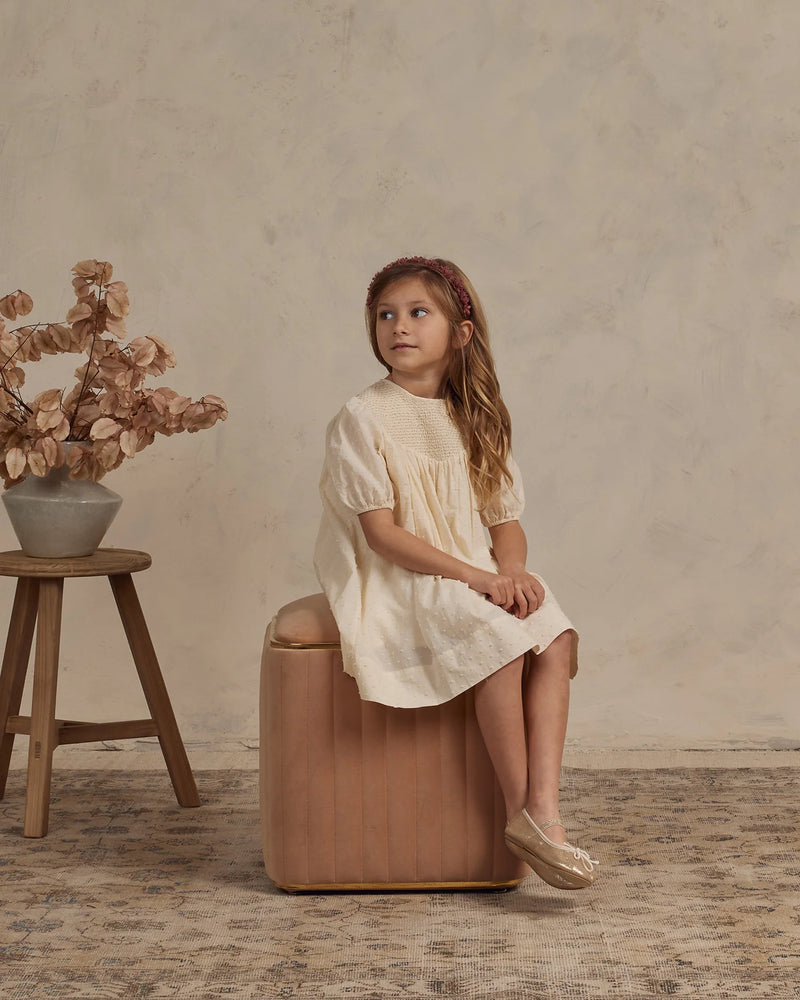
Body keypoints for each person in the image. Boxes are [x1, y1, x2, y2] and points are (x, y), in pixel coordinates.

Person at [314, 256, 597, 890]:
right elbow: (382, 535)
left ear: (461, 333)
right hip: (406, 574)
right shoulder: (364, 416)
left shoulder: (476, 415)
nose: (399, 326)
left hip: (479, 571)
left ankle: (544, 812)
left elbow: (504, 519)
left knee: (555, 637)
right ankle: (518, 810)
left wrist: (511, 570)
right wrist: (478, 579)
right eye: (385, 315)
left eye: (419, 313)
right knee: (499, 642)